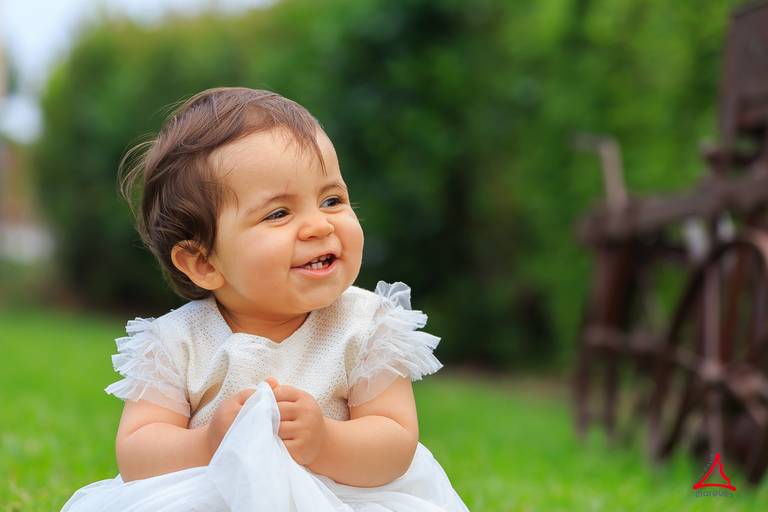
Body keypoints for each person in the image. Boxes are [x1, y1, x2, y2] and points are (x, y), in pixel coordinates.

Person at [61, 87, 469, 511]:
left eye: (332, 200)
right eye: (278, 213)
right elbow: (137, 453)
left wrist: (326, 441)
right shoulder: (177, 343)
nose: (318, 226)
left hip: (338, 498)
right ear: (202, 262)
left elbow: (395, 440)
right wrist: (208, 442)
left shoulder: (365, 325)